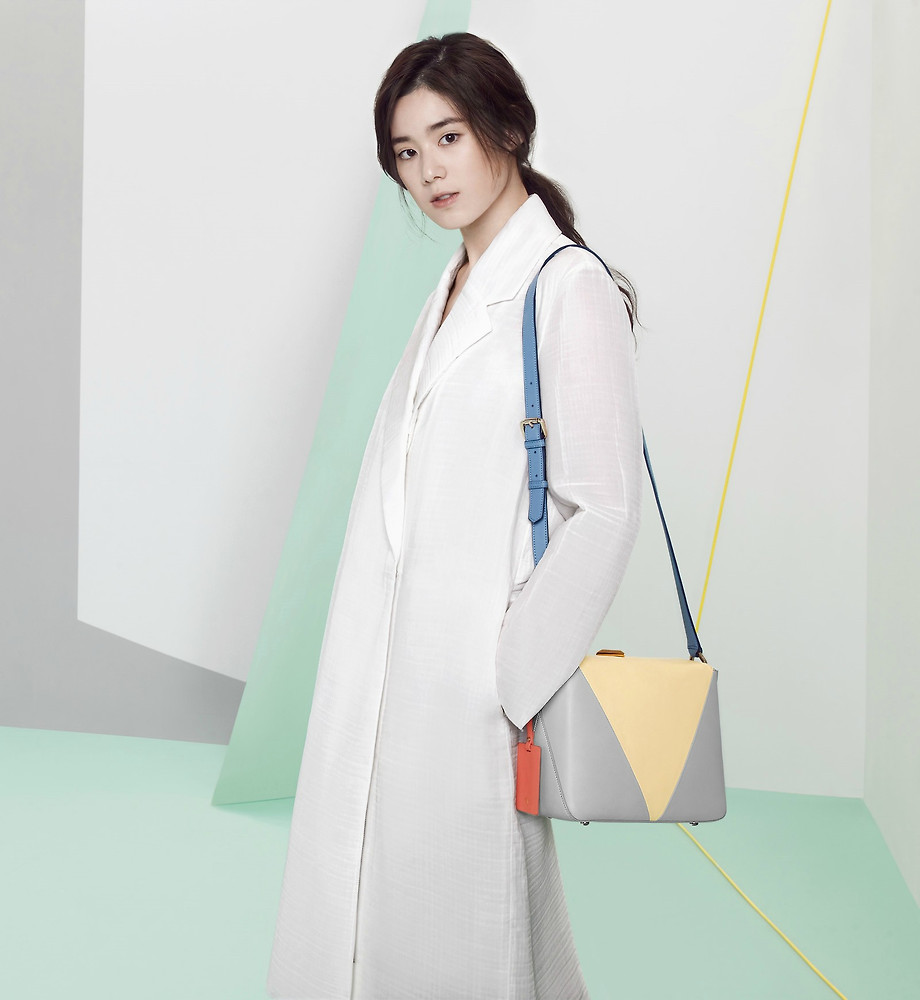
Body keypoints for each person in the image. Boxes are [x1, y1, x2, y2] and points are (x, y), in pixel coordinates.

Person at [267, 32, 643, 1000]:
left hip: (466, 688)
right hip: (382, 672)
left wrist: (506, 676)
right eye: (406, 151)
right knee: (370, 915)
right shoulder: (452, 286)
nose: (429, 169)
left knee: (469, 934)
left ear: (505, 127)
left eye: (448, 136)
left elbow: (603, 508)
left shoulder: (567, 287)